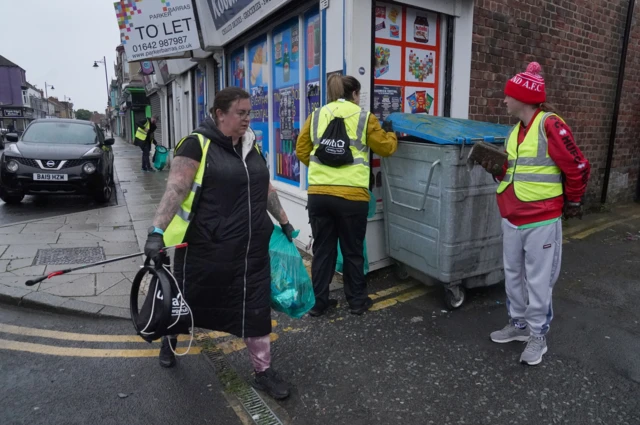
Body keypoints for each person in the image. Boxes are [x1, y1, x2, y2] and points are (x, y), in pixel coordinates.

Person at [144, 87, 295, 400]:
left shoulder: (252, 146)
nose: (246, 119)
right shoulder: (196, 144)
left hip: (252, 250)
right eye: (240, 113)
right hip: (208, 248)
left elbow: (264, 188)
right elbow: (176, 189)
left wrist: (284, 220)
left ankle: (263, 371)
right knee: (185, 303)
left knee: (256, 311)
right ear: (219, 114)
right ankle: (169, 341)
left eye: (249, 113)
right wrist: (156, 232)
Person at [479, 62, 590, 366]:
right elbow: (514, 171)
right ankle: (518, 326)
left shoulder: (550, 124)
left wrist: (574, 201)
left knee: (539, 282)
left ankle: (537, 336)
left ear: (523, 98)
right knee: (513, 275)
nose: (504, 100)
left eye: (507, 96)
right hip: (512, 216)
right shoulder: (515, 131)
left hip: (541, 218)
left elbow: (578, 165)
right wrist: (495, 169)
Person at [296, 74, 397, 317]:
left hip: (319, 196)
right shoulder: (364, 117)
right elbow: (385, 148)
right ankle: (357, 302)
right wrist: (391, 133)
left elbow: (301, 149)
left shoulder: (316, 115)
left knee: (323, 251)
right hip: (353, 198)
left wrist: (324, 167)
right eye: (359, 94)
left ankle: (319, 304)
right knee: (352, 251)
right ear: (353, 94)